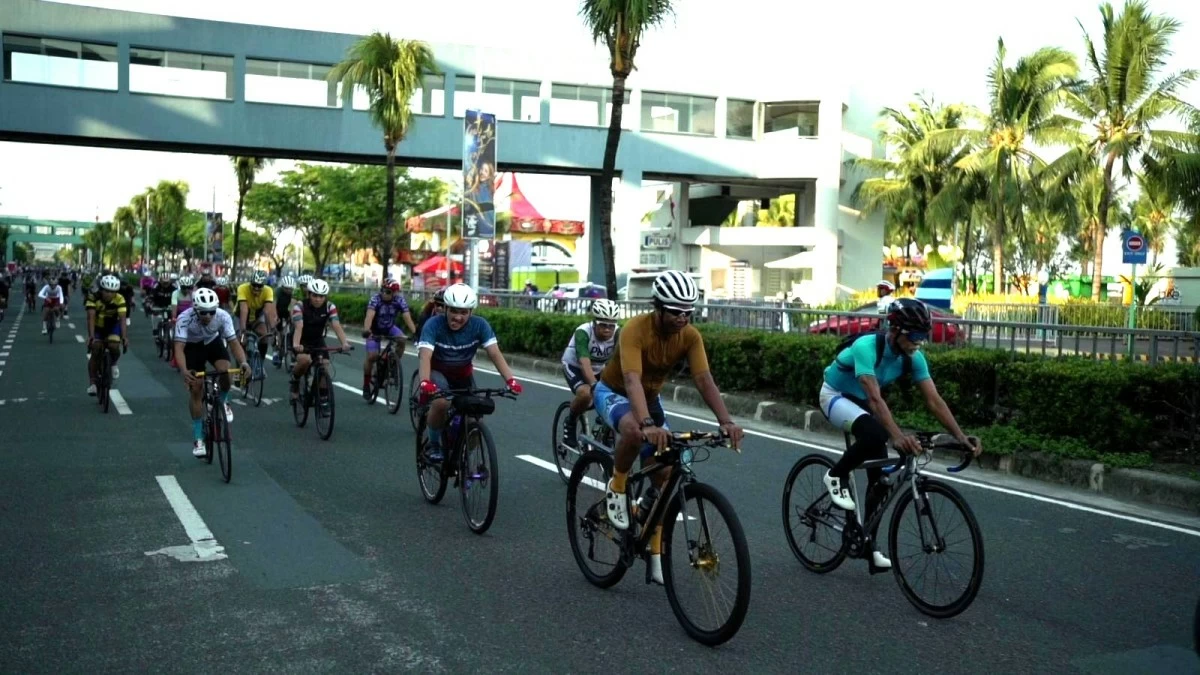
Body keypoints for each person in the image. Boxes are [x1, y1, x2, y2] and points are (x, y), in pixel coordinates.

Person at [591, 270, 744, 584]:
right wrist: (647, 423)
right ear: (658, 308)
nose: (682, 318)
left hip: (650, 397)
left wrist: (726, 421)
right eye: (675, 311)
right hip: (614, 391)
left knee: (665, 471)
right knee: (634, 430)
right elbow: (631, 379)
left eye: (688, 312)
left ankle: (653, 541)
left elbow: (703, 379)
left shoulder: (690, 336)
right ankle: (618, 487)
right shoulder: (636, 329)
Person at [819, 298, 982, 570]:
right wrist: (896, 436)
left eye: (923, 335)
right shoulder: (866, 347)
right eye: (915, 335)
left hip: (862, 405)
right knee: (876, 435)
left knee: (880, 482)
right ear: (895, 331)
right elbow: (874, 399)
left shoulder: (913, 358)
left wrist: (960, 437)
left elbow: (934, 401)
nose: (920, 341)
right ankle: (835, 475)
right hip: (835, 395)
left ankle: (867, 544)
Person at [416, 283, 522, 462]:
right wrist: (425, 382)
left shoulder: (480, 325)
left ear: (471, 313)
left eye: (464, 313)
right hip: (438, 372)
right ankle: (434, 444)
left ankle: (460, 458)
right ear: (446, 309)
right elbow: (425, 356)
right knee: (441, 403)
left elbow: (495, 353)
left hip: (463, 375)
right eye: (454, 311)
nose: (458, 317)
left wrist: (510, 380)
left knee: (475, 423)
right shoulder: (433, 324)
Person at [174, 287, 249, 457]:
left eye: (211, 312)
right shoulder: (184, 319)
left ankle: (223, 401)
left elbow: (233, 342)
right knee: (196, 387)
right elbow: (179, 348)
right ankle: (198, 438)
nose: (208, 316)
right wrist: (184, 370)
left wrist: (243, 362)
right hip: (192, 347)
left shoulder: (223, 316)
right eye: (203, 312)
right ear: (195, 309)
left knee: (226, 371)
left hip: (212, 342)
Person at [559, 298, 622, 447]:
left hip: (600, 368)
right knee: (586, 394)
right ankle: (571, 421)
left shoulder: (619, 333)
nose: (607, 329)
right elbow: (584, 361)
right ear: (594, 323)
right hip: (575, 366)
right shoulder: (583, 332)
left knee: (619, 393)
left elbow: (622, 360)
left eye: (611, 326)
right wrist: (594, 385)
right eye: (602, 325)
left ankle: (606, 426)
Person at [289, 278, 350, 401]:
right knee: (305, 361)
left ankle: (322, 398)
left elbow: (336, 325)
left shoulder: (330, 306)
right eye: (315, 295)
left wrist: (344, 343)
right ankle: (295, 380)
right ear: (309, 294)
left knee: (325, 365)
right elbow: (299, 327)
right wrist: (296, 344)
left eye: (321, 296)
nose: (318, 299)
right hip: (301, 340)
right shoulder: (299, 306)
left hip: (317, 339)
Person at [361, 279, 417, 397]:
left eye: (390, 292)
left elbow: (407, 317)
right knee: (372, 356)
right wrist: (367, 330)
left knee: (401, 340)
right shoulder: (375, 299)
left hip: (389, 328)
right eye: (385, 291)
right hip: (374, 330)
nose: (386, 294)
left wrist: (415, 333)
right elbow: (369, 316)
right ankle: (366, 384)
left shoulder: (399, 300)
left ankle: (392, 365)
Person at [85, 275, 128, 395]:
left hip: (112, 326)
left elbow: (122, 319)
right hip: (97, 325)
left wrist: (124, 337)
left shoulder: (120, 299)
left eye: (112, 292)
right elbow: (91, 317)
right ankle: (93, 383)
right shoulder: (93, 297)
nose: (109, 294)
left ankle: (113, 362)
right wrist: (91, 336)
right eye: (106, 291)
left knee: (114, 346)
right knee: (96, 349)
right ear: (101, 289)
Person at [236, 270, 278, 359]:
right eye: (254, 285)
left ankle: (261, 362)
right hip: (240, 315)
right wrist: (242, 329)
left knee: (264, 336)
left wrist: (272, 328)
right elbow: (244, 309)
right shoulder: (242, 288)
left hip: (257, 317)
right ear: (250, 283)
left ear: (264, 285)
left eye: (259, 286)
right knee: (241, 339)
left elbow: (267, 311)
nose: (256, 288)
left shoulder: (268, 290)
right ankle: (242, 361)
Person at [271, 275, 296, 367]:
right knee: (277, 331)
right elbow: (273, 305)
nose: (289, 291)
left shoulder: (294, 293)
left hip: (288, 313)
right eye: (287, 288)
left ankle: (292, 354)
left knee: (292, 332)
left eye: (290, 289)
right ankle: (275, 351)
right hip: (278, 312)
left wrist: (293, 318)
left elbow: (293, 306)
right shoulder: (277, 292)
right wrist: (275, 316)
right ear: (282, 287)